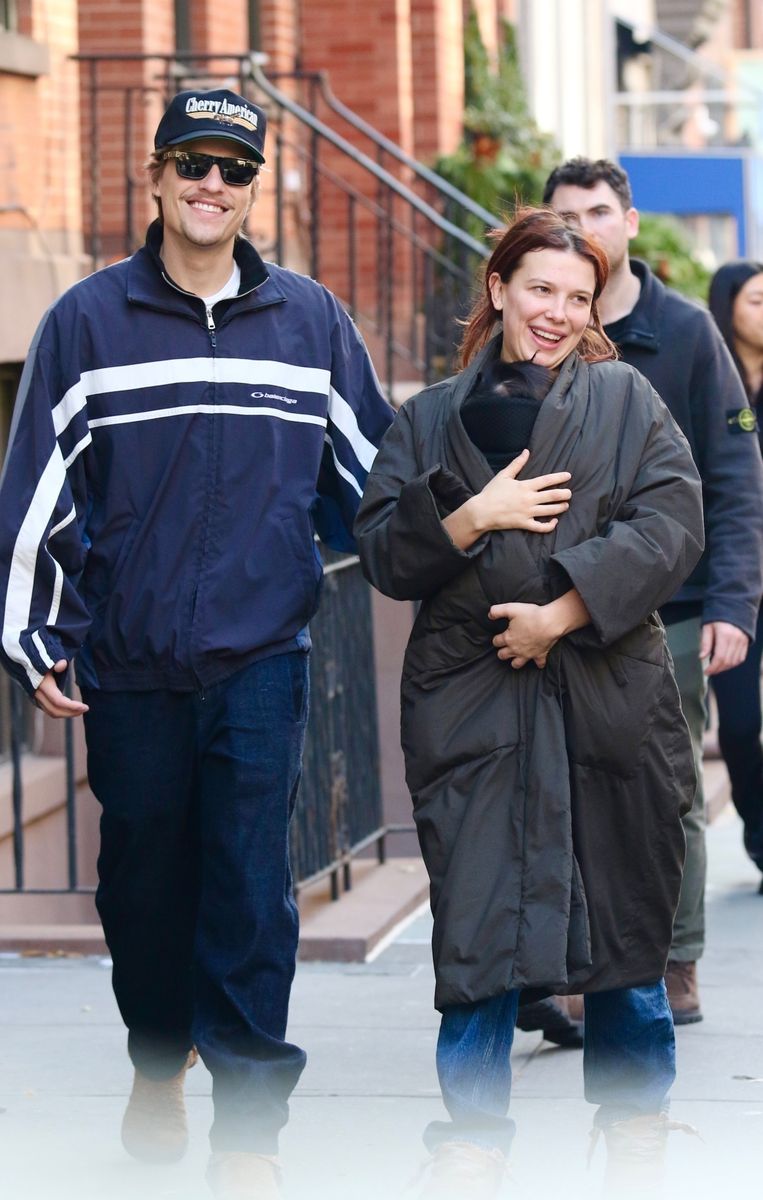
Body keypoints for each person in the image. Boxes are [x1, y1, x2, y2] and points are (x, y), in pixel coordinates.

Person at [0, 88, 392, 1199]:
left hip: (262, 654)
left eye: (233, 168)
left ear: (252, 188)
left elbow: (380, 482)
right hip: (126, 661)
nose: (211, 185)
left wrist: (470, 537)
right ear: (158, 178)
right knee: (142, 880)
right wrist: (34, 636)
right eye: (193, 164)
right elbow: (35, 490)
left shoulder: (311, 322)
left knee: (251, 884)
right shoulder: (86, 319)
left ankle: (250, 1124)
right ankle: (155, 1051)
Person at [355, 208, 704, 1199]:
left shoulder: (628, 401)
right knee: (478, 931)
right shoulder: (427, 418)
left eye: (577, 298)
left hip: (605, 697)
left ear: (594, 311)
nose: (555, 313)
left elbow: (673, 518)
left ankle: (636, 1132)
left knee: (624, 928)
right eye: (539, 289)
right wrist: (472, 515)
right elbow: (381, 548)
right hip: (471, 705)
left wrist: (565, 609)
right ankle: (471, 1143)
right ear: (498, 286)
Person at [544, 158, 763, 1025]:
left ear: (629, 222)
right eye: (567, 215)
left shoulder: (683, 331)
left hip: (670, 607)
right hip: (557, 603)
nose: (585, 228)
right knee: (560, 789)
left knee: (665, 791)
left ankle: (674, 961)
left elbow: (734, 467)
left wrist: (732, 601)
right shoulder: (538, 319)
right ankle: (571, 967)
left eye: (599, 212)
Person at [708, 261, 763, 890]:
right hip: (733, 579)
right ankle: (758, 829)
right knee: (742, 724)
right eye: (754, 300)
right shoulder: (713, 379)